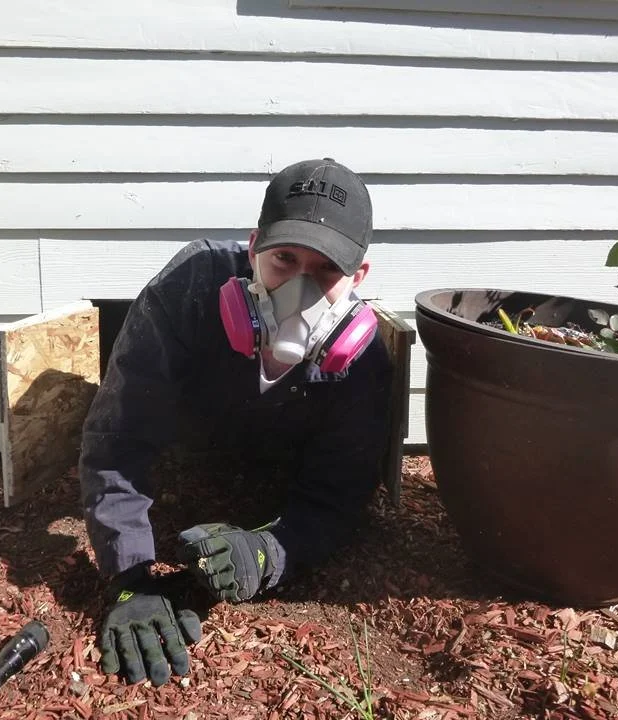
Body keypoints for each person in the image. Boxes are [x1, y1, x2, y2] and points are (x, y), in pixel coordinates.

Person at [78, 158, 392, 687]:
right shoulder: (187, 291)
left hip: (270, 476)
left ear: (357, 277)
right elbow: (119, 436)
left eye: (325, 272)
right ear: (252, 248)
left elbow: (336, 498)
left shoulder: (362, 363)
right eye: (284, 260)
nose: (300, 290)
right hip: (184, 459)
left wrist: (269, 551)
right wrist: (130, 575)